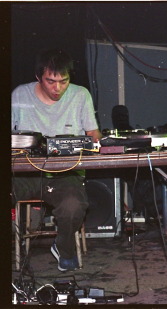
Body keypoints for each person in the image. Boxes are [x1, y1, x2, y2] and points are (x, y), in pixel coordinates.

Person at [11, 48, 102, 272]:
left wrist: (95, 145)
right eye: (51, 81)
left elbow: (93, 134)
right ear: (38, 77)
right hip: (26, 174)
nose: (57, 88)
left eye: (64, 81)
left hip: (66, 174)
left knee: (73, 206)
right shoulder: (20, 95)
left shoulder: (81, 95)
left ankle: (64, 248)